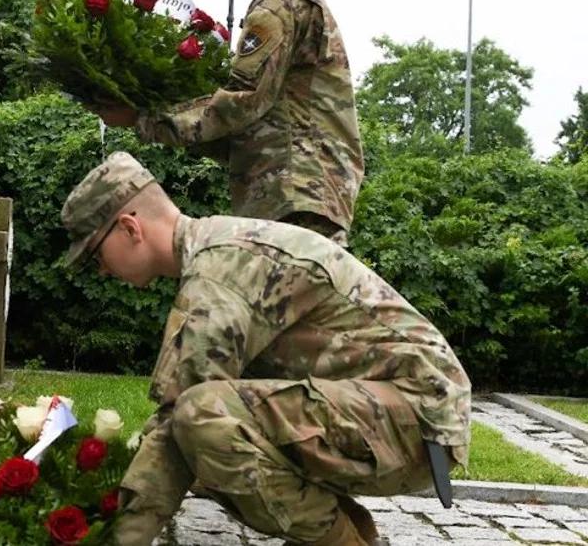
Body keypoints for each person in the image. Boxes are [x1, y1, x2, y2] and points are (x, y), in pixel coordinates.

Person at [61, 152, 471, 546]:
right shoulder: (218, 254)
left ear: (130, 228)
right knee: (211, 438)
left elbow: (176, 424)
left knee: (202, 419)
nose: (100, 269)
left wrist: (108, 535)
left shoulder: (220, 271)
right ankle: (348, 528)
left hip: (416, 420)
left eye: (96, 253)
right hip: (400, 417)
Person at [95, 0, 363, 246]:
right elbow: (259, 120)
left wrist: (141, 118)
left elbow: (242, 102)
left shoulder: (277, 4)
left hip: (293, 192)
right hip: (302, 191)